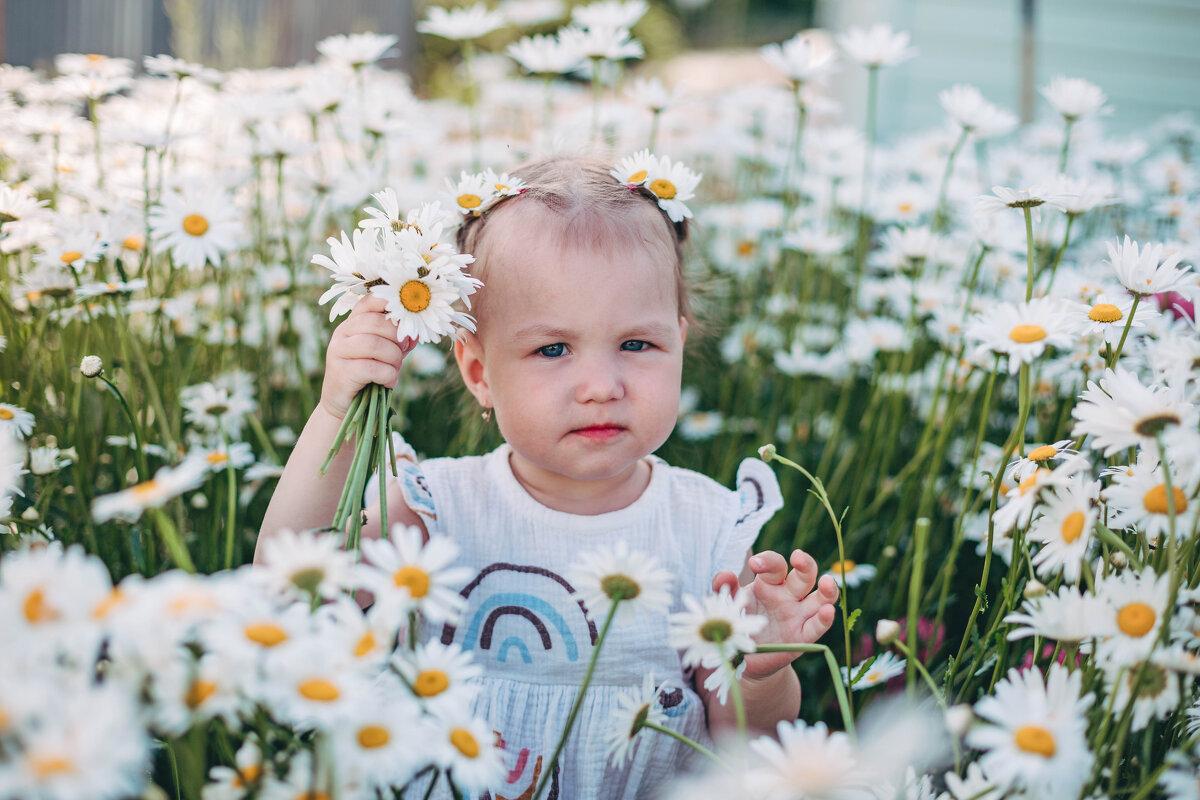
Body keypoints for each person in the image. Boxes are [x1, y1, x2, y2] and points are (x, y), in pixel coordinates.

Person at [258, 156, 840, 799]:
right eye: (553, 350)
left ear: (678, 343)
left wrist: (758, 674)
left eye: (637, 345)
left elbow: (745, 740)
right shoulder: (439, 510)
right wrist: (336, 411)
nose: (600, 387)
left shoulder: (705, 531)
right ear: (478, 371)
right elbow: (292, 586)